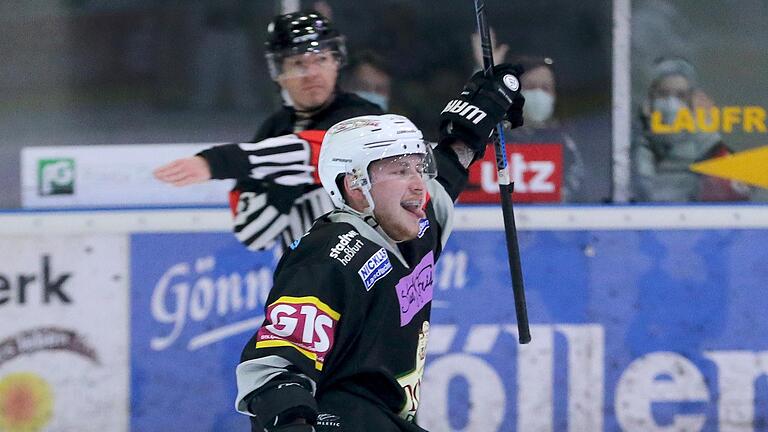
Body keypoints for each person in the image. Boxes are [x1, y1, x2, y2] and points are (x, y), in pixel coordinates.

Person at [234, 66, 525, 431]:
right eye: (400, 170)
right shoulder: (329, 256)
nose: (419, 185)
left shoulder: (414, 227)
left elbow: (448, 168)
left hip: (384, 417)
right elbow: (277, 369)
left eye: (419, 167)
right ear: (355, 185)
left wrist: (480, 112)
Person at [153, 10, 383, 251]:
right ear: (278, 73)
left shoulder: (363, 115)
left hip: (370, 273)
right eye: (298, 63)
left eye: (321, 59)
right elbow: (252, 235)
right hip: (303, 278)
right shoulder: (273, 131)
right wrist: (286, 181)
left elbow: (322, 150)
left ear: (337, 62)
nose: (312, 73)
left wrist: (220, 162)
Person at [631, 56, 750, 202]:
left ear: (691, 100)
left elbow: (736, 188)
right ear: (650, 99)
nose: (671, 103)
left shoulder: (704, 139)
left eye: (680, 96)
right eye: (663, 94)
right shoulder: (637, 141)